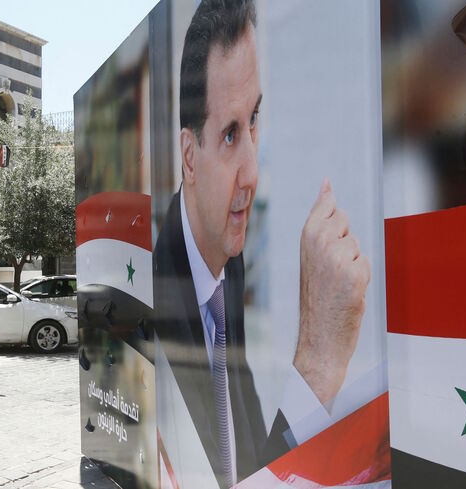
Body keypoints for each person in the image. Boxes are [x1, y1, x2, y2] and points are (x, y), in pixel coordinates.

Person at [153, 0, 371, 485]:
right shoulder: (158, 285)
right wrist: (316, 364)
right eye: (230, 134)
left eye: (255, 117)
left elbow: (247, 458)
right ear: (189, 155)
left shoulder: (226, 265)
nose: (252, 172)